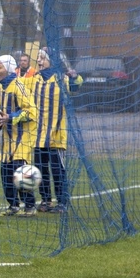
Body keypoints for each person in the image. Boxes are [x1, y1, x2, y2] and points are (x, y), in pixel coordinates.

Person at [29, 47, 82, 214]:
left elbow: (76, 85)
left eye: (43, 58)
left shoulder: (61, 79)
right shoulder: (35, 79)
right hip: (37, 136)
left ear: (51, 61)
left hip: (56, 136)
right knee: (40, 169)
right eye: (38, 58)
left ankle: (62, 202)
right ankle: (45, 200)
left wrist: (74, 76)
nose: (39, 61)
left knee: (58, 171)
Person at [0, 54, 38, 216]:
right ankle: (13, 206)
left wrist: (11, 118)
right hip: (7, 141)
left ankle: (30, 206)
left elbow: (31, 111)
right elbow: (1, 114)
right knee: (5, 174)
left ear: (9, 68)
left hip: (22, 139)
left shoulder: (19, 86)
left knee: (20, 174)